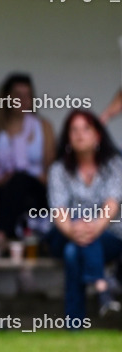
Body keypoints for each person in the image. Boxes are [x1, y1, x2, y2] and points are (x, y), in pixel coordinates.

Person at [45, 110, 122, 326]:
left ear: (98, 135)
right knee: (76, 226)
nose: (80, 134)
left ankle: (75, 324)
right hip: (65, 233)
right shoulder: (58, 170)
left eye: (86, 129)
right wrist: (74, 230)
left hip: (108, 234)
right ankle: (102, 288)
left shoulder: (114, 165)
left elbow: (112, 204)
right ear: (68, 137)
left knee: (73, 253)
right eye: (74, 130)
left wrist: (92, 228)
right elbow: (58, 210)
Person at [0, 73, 55, 243]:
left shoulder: (43, 126)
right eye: (18, 96)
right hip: (0, 188)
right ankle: (8, 234)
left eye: (28, 95)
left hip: (35, 189)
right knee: (6, 188)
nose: (23, 100)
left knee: (20, 178)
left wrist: (41, 177)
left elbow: (52, 170)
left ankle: (1, 234)